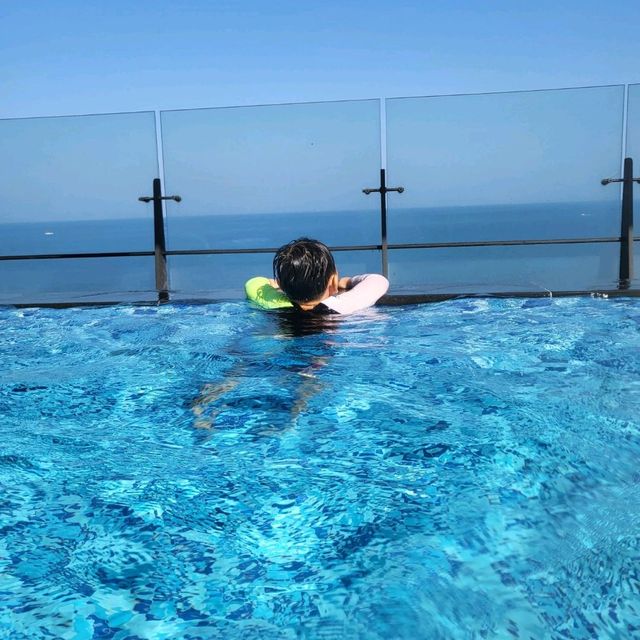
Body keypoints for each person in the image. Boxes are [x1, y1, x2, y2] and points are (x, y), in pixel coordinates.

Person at [269, 237, 389, 314]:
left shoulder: (273, 303)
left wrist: (273, 285)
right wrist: (348, 282)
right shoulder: (342, 306)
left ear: (281, 284)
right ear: (333, 282)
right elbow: (379, 281)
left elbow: (257, 282)